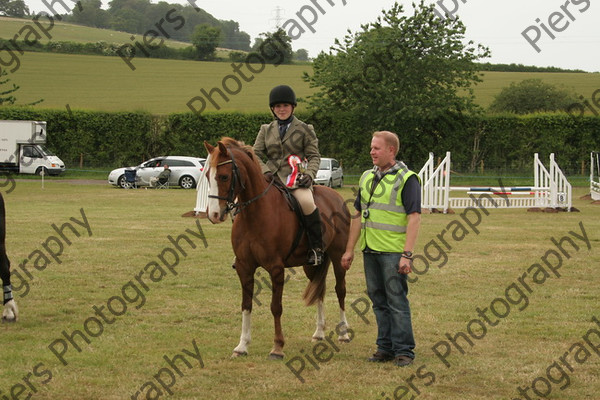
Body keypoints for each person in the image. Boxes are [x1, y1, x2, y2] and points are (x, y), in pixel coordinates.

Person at [341, 131, 421, 367]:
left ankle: (404, 350)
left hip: (393, 252)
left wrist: (407, 254)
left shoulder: (408, 179)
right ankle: (385, 348)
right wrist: (349, 250)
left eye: (376, 148)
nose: (372, 152)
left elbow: (414, 218)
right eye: (371, 148)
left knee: (397, 301)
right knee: (378, 302)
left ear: (391, 151)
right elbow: (358, 215)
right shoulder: (367, 177)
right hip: (370, 250)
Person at [253, 85, 323, 266]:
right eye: (277, 106)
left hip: (295, 180)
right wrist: (265, 171)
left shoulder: (305, 129)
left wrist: (309, 174)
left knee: (307, 203)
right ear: (272, 109)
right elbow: (255, 154)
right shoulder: (265, 129)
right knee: (244, 204)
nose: (281, 109)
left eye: (285, 105)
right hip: (269, 180)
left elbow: (314, 155)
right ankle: (245, 250)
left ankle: (316, 248)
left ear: (292, 107)